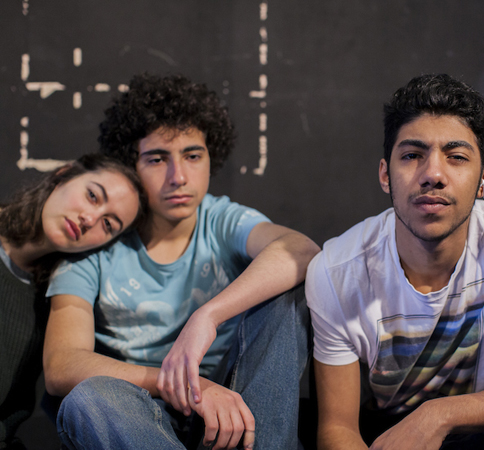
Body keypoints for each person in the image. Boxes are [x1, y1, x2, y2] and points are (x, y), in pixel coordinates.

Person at [305, 73, 484, 450]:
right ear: (385, 175)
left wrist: (438, 416)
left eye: (456, 158)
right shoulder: (336, 270)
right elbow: (337, 429)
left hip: (474, 428)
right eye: (412, 156)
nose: (433, 175)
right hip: (384, 437)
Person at [43, 74, 320, 450]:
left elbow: (301, 249)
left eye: (192, 156)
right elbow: (60, 365)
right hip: (141, 415)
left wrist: (207, 316)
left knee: (289, 290)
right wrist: (183, 383)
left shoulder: (221, 220)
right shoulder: (99, 237)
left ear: (210, 157)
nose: (178, 177)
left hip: (236, 409)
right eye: (157, 159)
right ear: (131, 165)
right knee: (88, 399)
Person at [0, 153, 145, 450]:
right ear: (63, 175)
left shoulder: (59, 305)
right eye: (92, 196)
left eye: (108, 224)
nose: (89, 220)